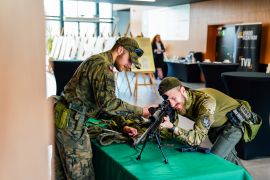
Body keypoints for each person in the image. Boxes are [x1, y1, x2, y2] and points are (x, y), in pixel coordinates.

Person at [54, 37, 151, 179]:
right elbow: (109, 104)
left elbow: (101, 105)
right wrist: (142, 111)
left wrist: (122, 124)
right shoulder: (103, 68)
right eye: (129, 60)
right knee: (82, 176)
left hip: (63, 120)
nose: (130, 66)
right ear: (120, 49)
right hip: (72, 126)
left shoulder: (96, 60)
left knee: (62, 174)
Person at [157, 77, 261, 166]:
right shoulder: (176, 102)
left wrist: (172, 127)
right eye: (167, 100)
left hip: (235, 122)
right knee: (229, 159)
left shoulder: (206, 102)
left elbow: (196, 140)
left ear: (183, 90)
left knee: (214, 160)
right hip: (216, 125)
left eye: (173, 98)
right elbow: (168, 134)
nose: (171, 104)